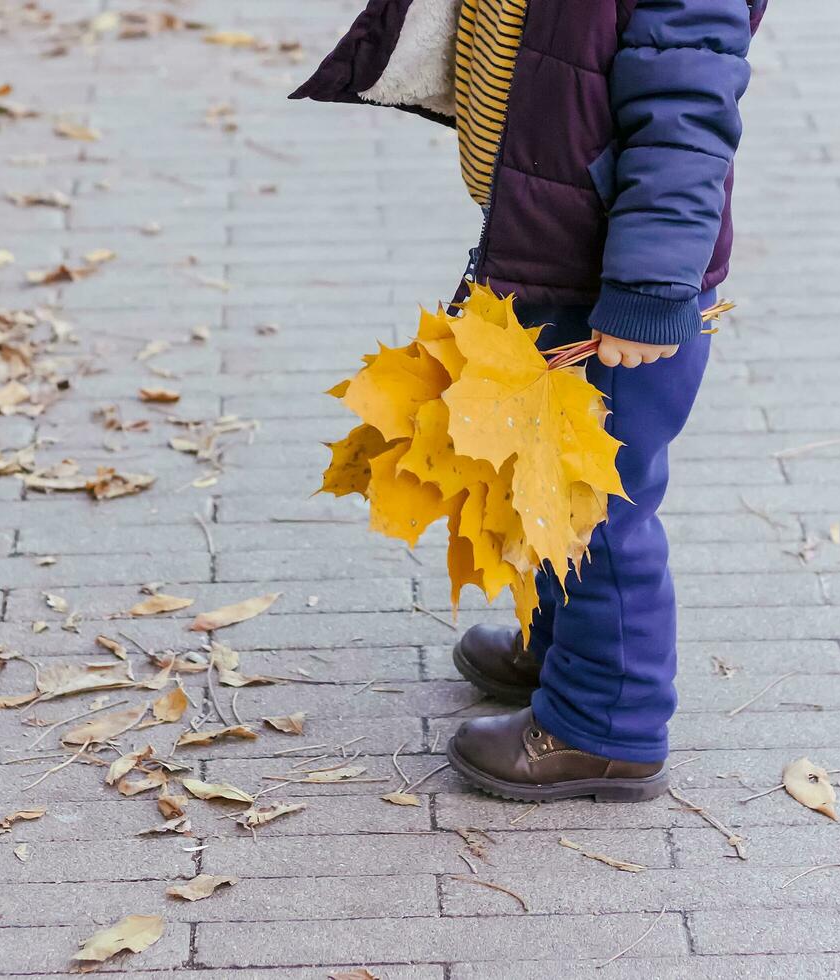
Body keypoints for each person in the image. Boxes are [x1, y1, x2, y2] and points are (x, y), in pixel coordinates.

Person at [292, 0, 767, 802]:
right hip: (549, 236)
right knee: (540, 477)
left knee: (597, 508)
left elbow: (686, 100)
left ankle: (603, 724)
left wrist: (649, 285)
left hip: (614, 277)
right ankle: (561, 650)